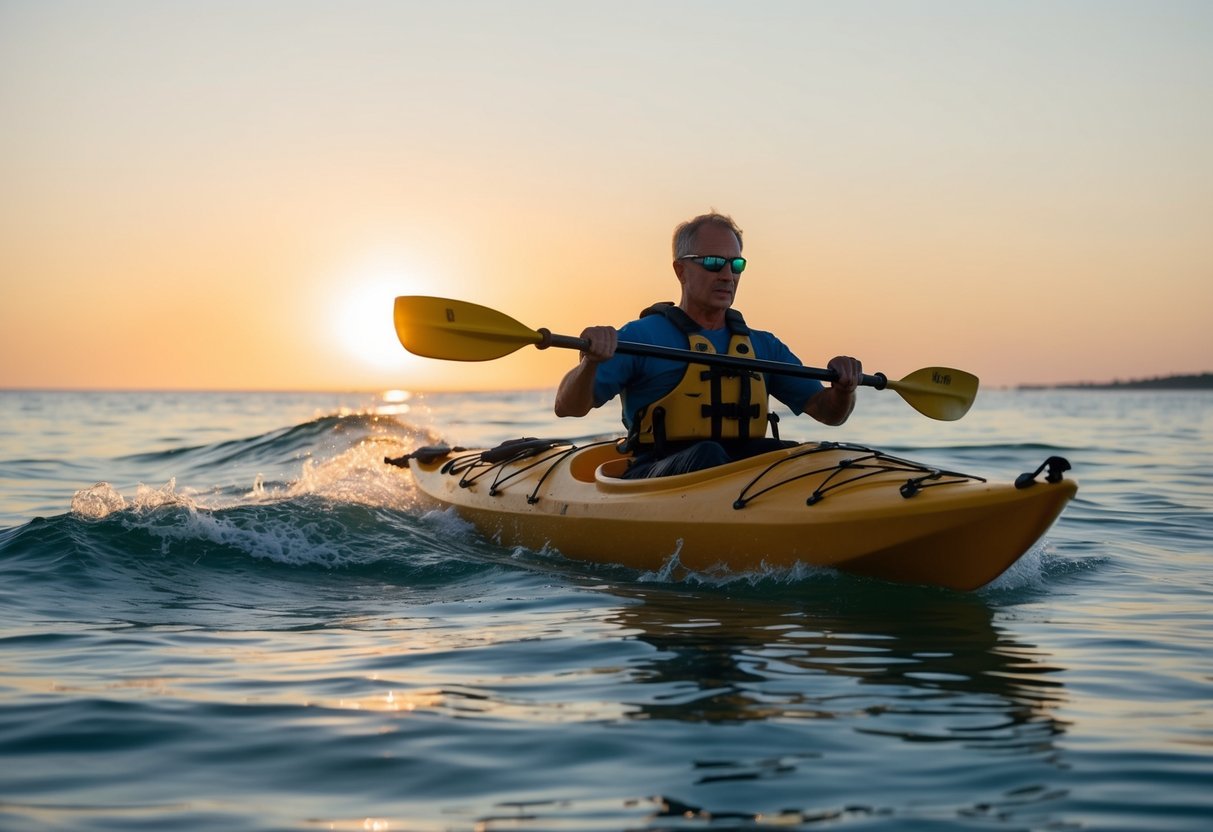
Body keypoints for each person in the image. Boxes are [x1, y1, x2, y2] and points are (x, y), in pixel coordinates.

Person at [554, 211, 863, 479]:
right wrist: (589, 364)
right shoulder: (642, 337)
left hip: (741, 475)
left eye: (736, 264)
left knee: (797, 454)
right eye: (714, 263)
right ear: (681, 270)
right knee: (708, 453)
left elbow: (829, 414)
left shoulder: (762, 346)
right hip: (655, 470)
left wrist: (843, 390)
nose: (728, 275)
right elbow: (567, 407)